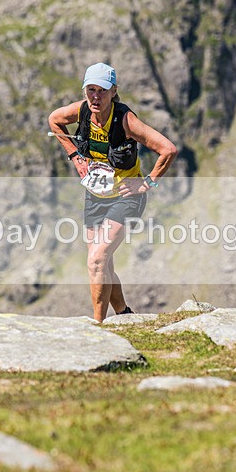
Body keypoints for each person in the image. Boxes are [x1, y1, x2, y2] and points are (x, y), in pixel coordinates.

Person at [48, 62, 178, 322]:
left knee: (96, 259)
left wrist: (147, 183)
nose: (96, 97)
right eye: (91, 90)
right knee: (103, 263)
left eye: (102, 91)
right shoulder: (82, 111)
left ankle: (99, 326)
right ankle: (124, 315)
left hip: (126, 197)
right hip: (95, 196)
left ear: (114, 92)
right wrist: (75, 157)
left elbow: (168, 149)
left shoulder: (126, 120)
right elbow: (54, 120)